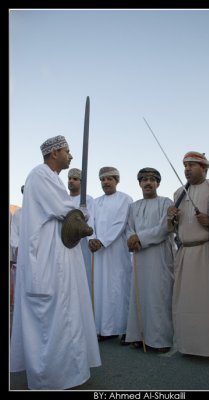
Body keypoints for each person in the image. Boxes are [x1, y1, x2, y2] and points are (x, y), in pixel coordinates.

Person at [10, 135, 101, 390]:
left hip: (58, 254)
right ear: (54, 153)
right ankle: (52, 378)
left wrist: (79, 213)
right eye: (67, 152)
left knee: (65, 313)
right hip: (48, 259)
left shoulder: (50, 177)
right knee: (52, 315)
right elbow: (65, 210)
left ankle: (69, 373)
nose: (71, 156)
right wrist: (81, 212)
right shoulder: (41, 174)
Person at [167, 152, 209, 358]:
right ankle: (186, 347)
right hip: (184, 252)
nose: (187, 169)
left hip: (207, 251)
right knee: (184, 303)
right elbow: (171, 229)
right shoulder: (178, 193)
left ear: (205, 168)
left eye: (192, 165)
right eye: (185, 166)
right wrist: (170, 219)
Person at [125, 167, 174, 352]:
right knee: (140, 293)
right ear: (139, 183)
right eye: (144, 179)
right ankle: (140, 336)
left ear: (158, 184)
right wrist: (132, 238)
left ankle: (160, 340)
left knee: (159, 295)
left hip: (159, 255)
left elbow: (164, 229)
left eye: (152, 179)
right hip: (140, 255)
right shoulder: (134, 206)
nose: (148, 182)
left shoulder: (165, 202)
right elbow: (128, 228)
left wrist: (140, 238)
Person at [88, 167, 133, 345]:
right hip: (98, 253)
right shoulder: (95, 202)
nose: (106, 182)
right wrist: (91, 238)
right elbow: (89, 221)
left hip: (116, 250)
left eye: (109, 179)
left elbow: (120, 223)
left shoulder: (125, 199)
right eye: (103, 179)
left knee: (118, 287)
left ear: (116, 180)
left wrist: (102, 240)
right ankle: (103, 329)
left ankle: (123, 329)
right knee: (100, 288)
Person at [68, 167, 94, 299]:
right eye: (69, 178)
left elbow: (93, 222)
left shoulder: (88, 200)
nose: (71, 181)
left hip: (82, 245)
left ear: (81, 182)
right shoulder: (63, 199)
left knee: (83, 276)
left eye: (75, 179)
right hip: (66, 243)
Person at [10, 185, 24, 324]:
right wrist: (19, 248)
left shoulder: (44, 212)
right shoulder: (18, 214)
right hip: (23, 258)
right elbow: (14, 235)